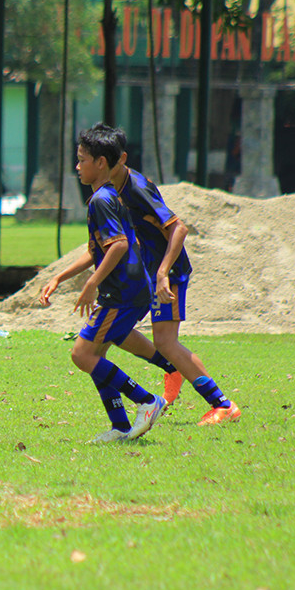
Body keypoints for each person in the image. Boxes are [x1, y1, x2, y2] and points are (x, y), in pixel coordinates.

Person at [104, 124, 241, 426]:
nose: (84, 166)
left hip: (167, 272)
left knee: (166, 340)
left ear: (120, 159)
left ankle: (223, 405)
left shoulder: (135, 188)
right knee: (113, 328)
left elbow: (178, 227)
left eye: (95, 160)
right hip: (144, 272)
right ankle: (172, 368)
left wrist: (163, 273)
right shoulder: (111, 189)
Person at [38, 125, 166, 443]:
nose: (77, 166)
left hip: (122, 292)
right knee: (96, 356)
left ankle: (147, 401)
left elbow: (119, 245)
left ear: (101, 163)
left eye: (82, 160)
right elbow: (97, 249)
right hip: (130, 289)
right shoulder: (108, 196)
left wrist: (92, 283)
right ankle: (121, 427)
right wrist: (59, 277)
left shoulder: (101, 200)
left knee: (82, 355)